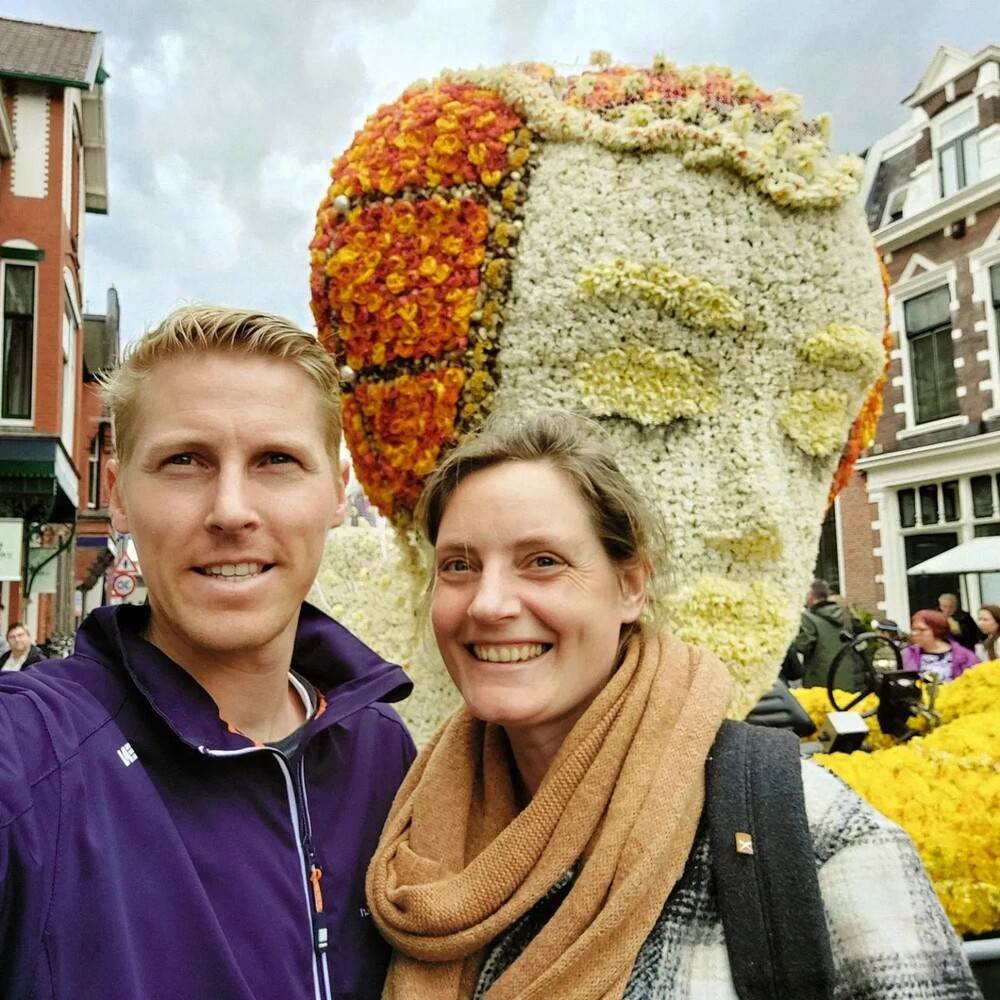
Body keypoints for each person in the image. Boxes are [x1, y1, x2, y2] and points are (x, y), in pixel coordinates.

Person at [365, 409, 978, 1000]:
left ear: (630, 585)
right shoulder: (410, 833)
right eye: (459, 566)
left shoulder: (810, 834)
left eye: (543, 562)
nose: (487, 604)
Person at [0, 306, 416, 1000]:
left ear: (337, 494)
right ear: (120, 495)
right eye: (184, 461)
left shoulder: (385, 754)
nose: (230, 510)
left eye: (276, 461)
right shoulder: (35, 756)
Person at [787, 580, 853, 690]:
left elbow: (802, 645)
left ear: (812, 596)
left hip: (820, 683)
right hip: (845, 679)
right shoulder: (844, 616)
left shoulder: (808, 618)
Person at [903, 609, 981, 682]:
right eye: (913, 629)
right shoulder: (907, 654)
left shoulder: (965, 656)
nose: (915, 633)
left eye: (921, 630)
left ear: (937, 630)